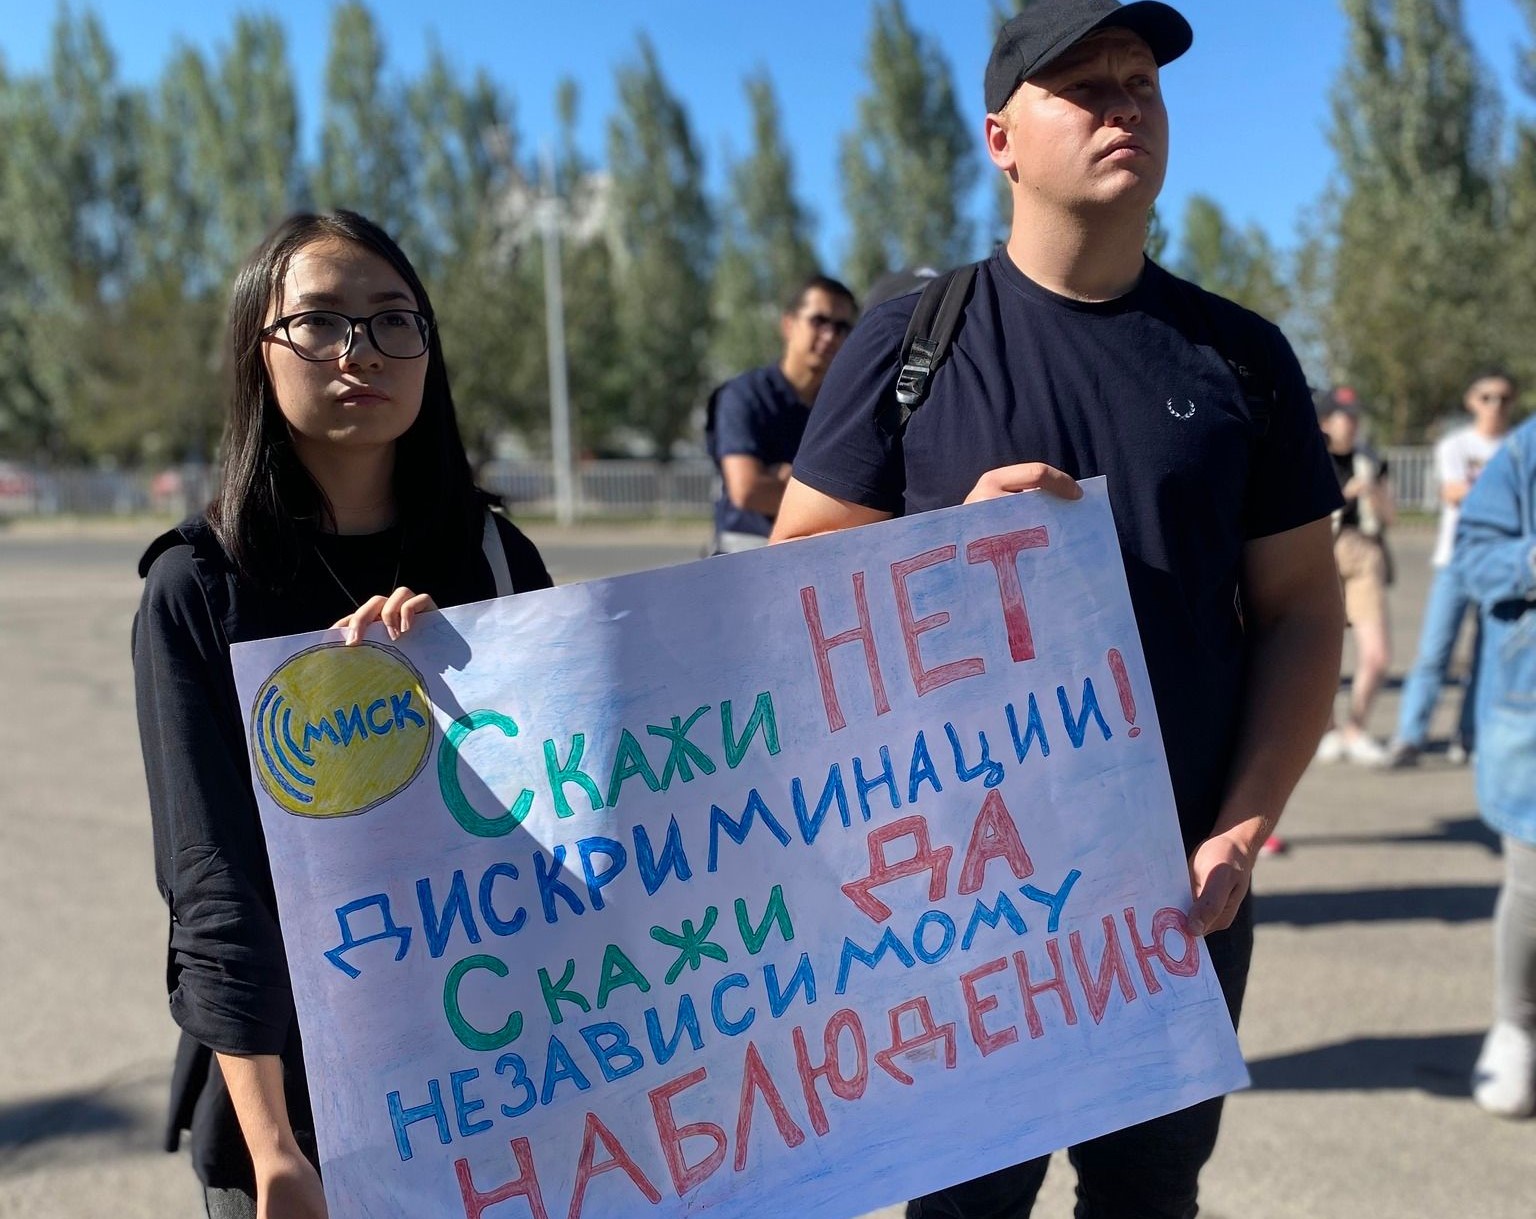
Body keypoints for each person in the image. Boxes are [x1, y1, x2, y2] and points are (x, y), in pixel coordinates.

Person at [771, 1, 1344, 1214]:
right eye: (1083, 85)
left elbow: (1301, 611)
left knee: (1148, 1198)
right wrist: (947, 547)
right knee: (966, 1205)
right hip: (961, 911)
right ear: (1002, 140)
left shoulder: (1242, 358)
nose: (1122, 103)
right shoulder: (912, 342)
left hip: (1179, 892)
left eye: (1141, 81)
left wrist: (1244, 828)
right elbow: (793, 580)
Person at [133, 210, 553, 1219]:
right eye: (318, 321)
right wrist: (276, 1151)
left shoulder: (498, 560)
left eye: (392, 319)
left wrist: (471, 678)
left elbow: (580, 809)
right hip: (302, 1115)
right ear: (258, 350)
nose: (360, 351)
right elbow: (212, 884)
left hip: (501, 1075)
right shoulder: (198, 588)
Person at [1455, 411, 1536, 1119]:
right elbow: (1474, 559)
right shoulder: (1525, 451)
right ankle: (1518, 1025)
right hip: (1529, 712)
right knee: (1533, 886)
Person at [1388, 371, 1516, 766]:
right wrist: (1503, 493)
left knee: (1487, 657)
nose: (1495, 405)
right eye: (1486, 397)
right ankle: (1410, 736)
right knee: (1434, 652)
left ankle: (1470, 736)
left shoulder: (1518, 446)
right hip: (1456, 561)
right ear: (1471, 401)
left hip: (1502, 563)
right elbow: (1453, 491)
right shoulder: (1456, 444)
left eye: (1503, 398)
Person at [706, 274, 857, 553]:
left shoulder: (843, 405)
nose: (829, 335)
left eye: (841, 327)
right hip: (744, 559)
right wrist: (825, 492)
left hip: (809, 557)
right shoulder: (744, 395)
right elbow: (748, 491)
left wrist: (787, 480)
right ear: (789, 324)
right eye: (819, 321)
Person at [1314, 386, 1395, 766]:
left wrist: (1373, 492)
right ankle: (1327, 729)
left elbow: (1391, 517)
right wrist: (1345, 493)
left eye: (1354, 416)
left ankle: (1356, 728)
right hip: (1322, 553)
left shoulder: (1371, 459)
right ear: (1325, 420)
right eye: (1344, 416)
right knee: (1322, 653)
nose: (1351, 424)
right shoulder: (1310, 455)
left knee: (1377, 655)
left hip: (1365, 553)